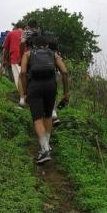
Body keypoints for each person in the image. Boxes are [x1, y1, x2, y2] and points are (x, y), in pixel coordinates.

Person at [20, 35, 70, 164]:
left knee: (37, 119)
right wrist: (66, 93)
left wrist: (25, 93)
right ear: (47, 45)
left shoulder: (28, 54)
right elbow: (64, 72)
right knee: (48, 116)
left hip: (34, 86)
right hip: (51, 87)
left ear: (33, 45)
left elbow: (23, 73)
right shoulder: (53, 54)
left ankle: (45, 150)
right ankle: (46, 147)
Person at [3, 22, 26, 106]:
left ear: (16, 26)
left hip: (15, 58)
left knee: (18, 79)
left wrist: (4, 60)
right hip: (27, 59)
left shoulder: (11, 33)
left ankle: (22, 99)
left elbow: (5, 48)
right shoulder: (26, 34)